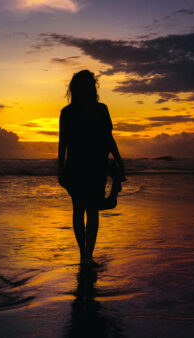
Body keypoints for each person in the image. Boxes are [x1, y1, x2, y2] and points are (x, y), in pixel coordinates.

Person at [58, 70, 125, 266]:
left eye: (90, 84)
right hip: (76, 166)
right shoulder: (67, 112)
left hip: (97, 165)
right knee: (78, 209)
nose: (87, 88)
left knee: (93, 210)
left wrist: (119, 159)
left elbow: (108, 138)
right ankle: (82, 253)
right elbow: (63, 143)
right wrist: (60, 169)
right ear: (75, 87)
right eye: (82, 84)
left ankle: (89, 255)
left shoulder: (102, 109)